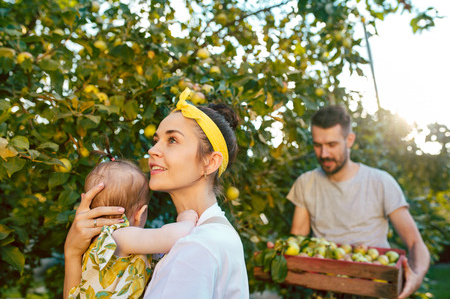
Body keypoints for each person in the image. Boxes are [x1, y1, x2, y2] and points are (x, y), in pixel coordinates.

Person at [64, 88, 249, 298]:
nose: (152, 150)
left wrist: (72, 253)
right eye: (156, 140)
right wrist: (72, 254)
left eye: (172, 140)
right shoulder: (213, 235)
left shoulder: (196, 246)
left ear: (210, 162)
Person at [287, 105, 430, 298]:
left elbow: (415, 243)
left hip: (374, 288)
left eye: (331, 145)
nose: (324, 154)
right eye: (317, 145)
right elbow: (298, 241)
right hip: (326, 289)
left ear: (350, 140)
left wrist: (416, 276)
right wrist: (282, 252)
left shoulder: (380, 182)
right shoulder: (306, 183)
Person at [67, 157, 198, 298]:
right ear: (140, 214)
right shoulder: (120, 237)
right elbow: (169, 237)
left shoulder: (92, 245)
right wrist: (186, 220)